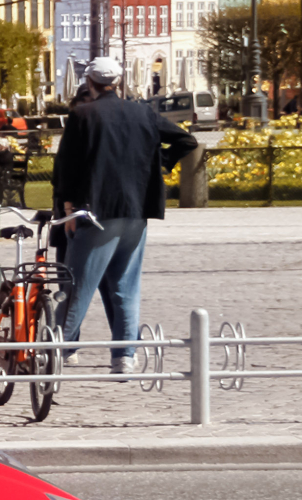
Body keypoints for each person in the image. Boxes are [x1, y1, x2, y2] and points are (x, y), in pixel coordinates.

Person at [52, 55, 196, 376]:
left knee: (77, 286)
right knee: (126, 287)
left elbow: (66, 166)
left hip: (96, 211)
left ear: (90, 82)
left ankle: (56, 352)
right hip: (137, 210)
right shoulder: (143, 112)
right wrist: (160, 161)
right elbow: (187, 140)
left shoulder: (82, 115)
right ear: (118, 82)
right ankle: (124, 356)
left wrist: (67, 207)